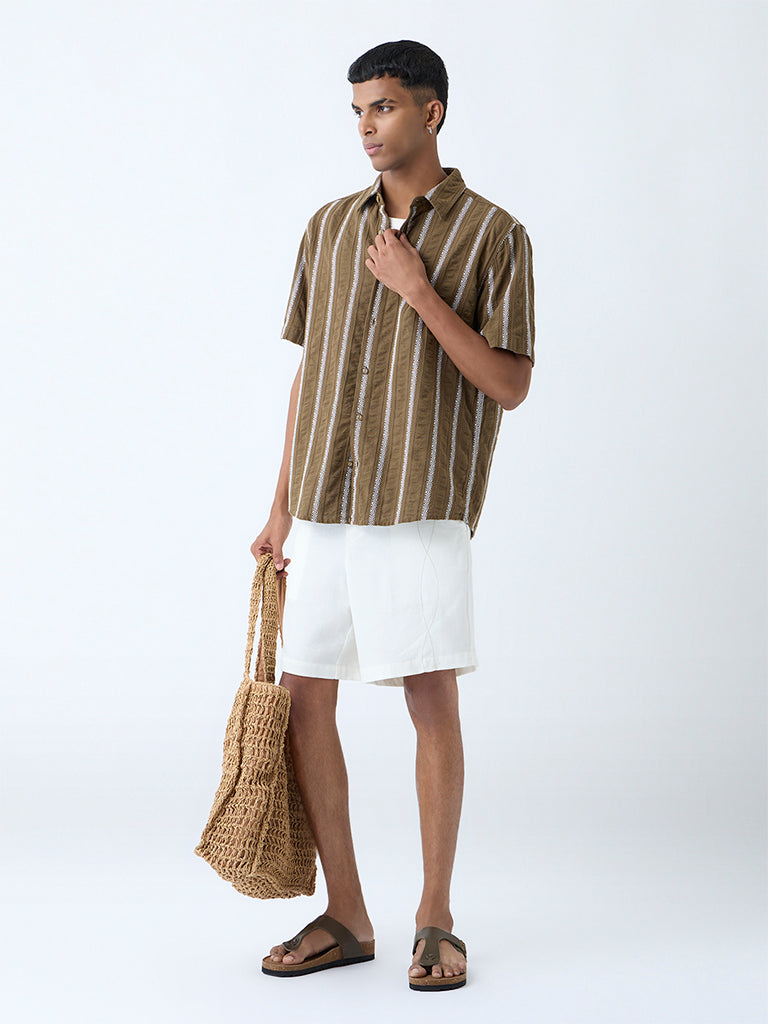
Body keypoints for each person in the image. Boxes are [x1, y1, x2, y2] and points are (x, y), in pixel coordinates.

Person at [250, 39, 535, 992]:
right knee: (304, 698)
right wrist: (280, 508)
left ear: (432, 110)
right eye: (359, 111)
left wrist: (418, 290)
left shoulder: (494, 235)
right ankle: (347, 914)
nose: (368, 127)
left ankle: (435, 919)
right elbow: (310, 374)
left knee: (429, 699)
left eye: (384, 107)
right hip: (326, 507)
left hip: (418, 504)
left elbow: (509, 384)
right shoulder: (330, 228)